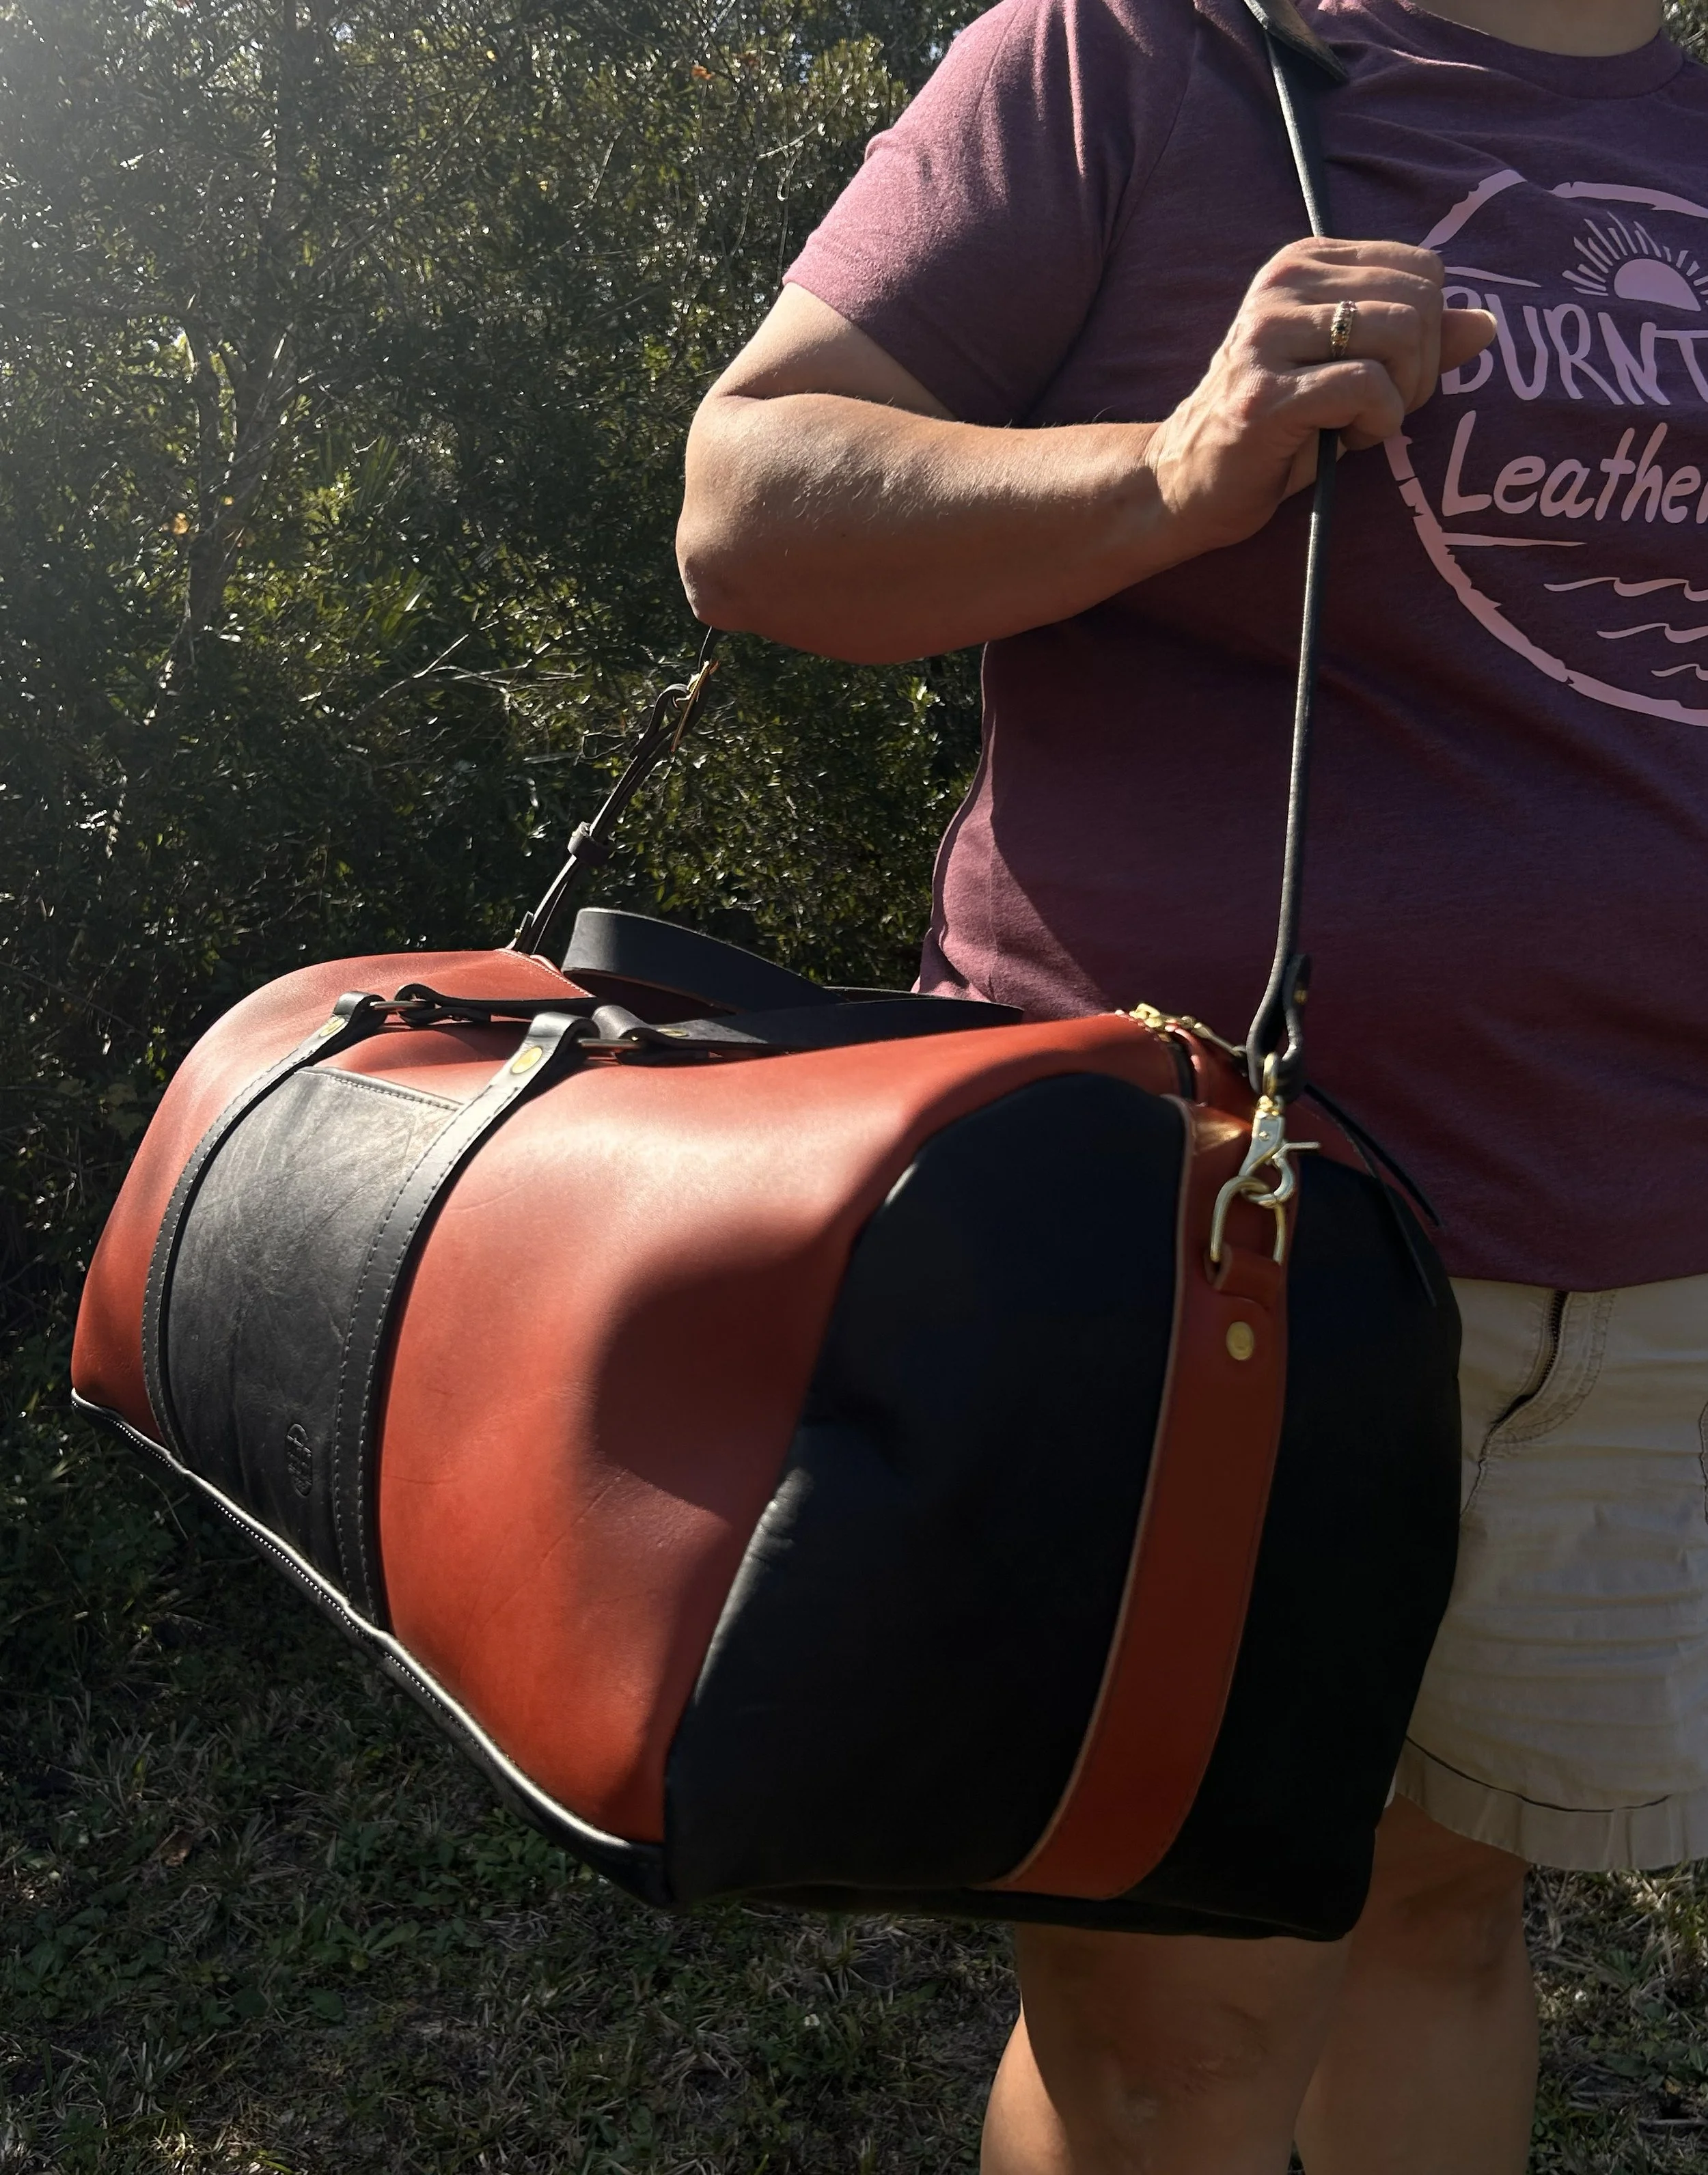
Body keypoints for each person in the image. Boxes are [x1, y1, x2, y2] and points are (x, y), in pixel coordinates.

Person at [674, 0, 1708, 2160]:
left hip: (1647, 1242)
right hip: (1214, 1236)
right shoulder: (1125, 59)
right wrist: (1174, 461)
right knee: (1175, 2020)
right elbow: (751, 502)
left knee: (1440, 1917)